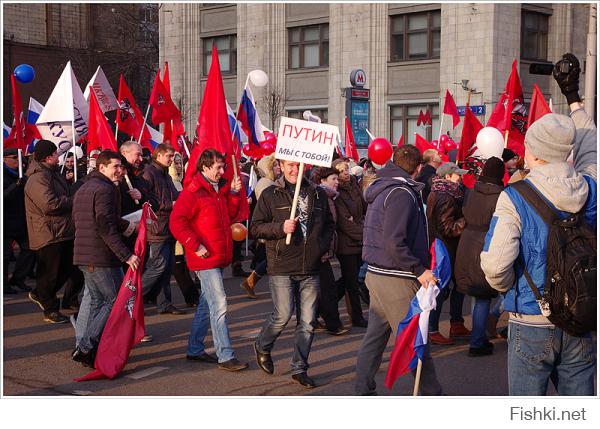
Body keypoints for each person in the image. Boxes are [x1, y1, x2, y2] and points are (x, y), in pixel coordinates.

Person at [481, 53, 596, 395]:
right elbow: (591, 147)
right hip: (582, 313)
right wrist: (574, 99)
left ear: (532, 151)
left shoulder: (514, 197)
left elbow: (496, 265)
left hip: (531, 319)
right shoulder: (591, 189)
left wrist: (510, 290)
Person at [355, 144, 442, 395]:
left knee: (376, 337)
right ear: (418, 168)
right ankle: (432, 394)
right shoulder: (401, 193)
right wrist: (419, 269)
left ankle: (363, 388)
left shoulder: (384, 188)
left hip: (379, 272)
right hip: (396, 276)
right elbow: (394, 242)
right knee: (416, 340)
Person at [250, 159, 335, 388]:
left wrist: (322, 247)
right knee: (282, 316)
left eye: (298, 165)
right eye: (289, 165)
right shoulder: (270, 194)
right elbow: (255, 227)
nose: (294, 170)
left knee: (307, 322)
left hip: (310, 266)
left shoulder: (318, 194)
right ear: (280, 165)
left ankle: (299, 367)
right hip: (281, 265)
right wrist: (281, 228)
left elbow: (328, 225)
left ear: (306, 166)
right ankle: (262, 345)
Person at [170, 149, 248, 371]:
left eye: (223, 166)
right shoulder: (193, 191)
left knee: (208, 305)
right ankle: (225, 355)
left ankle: (194, 349)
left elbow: (230, 216)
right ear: (204, 167)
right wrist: (195, 245)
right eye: (218, 167)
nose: (222, 171)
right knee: (219, 304)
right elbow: (177, 222)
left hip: (217, 255)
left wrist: (233, 194)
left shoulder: (218, 189)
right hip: (205, 257)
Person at [71, 150, 139, 367]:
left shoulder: (86, 187)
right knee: (112, 301)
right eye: (115, 167)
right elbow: (104, 226)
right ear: (102, 168)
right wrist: (126, 255)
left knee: (98, 302)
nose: (119, 171)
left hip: (86, 254)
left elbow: (100, 219)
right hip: (99, 256)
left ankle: (87, 348)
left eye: (121, 167)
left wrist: (126, 225)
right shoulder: (104, 189)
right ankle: (85, 347)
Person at [455, 157, 505, 356]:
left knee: (478, 293)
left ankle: (479, 335)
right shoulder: (501, 195)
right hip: (486, 242)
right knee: (483, 295)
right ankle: (477, 341)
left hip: (467, 242)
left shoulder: (470, 191)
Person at [24, 140, 76, 324]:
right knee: (50, 273)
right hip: (48, 232)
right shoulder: (38, 177)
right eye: (55, 154)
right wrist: (73, 201)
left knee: (68, 266)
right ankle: (50, 308)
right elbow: (49, 204)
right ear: (48, 157)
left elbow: (65, 194)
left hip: (62, 229)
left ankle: (41, 294)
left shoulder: (52, 173)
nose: (58, 156)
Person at [426, 162, 471, 345]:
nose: (460, 177)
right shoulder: (446, 196)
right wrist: (467, 218)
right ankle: (433, 329)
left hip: (444, 247)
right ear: (447, 177)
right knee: (442, 288)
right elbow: (447, 228)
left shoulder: (441, 192)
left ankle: (455, 323)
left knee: (455, 286)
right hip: (445, 248)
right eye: (456, 175)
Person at [141, 144, 184, 315]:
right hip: (156, 228)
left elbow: (175, 195)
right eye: (169, 155)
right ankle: (132, 297)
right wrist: (169, 204)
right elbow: (147, 201)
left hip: (168, 227)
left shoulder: (165, 174)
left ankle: (164, 303)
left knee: (167, 267)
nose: (172, 159)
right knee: (158, 266)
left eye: (173, 156)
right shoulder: (149, 173)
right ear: (158, 156)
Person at [333, 159, 368, 328]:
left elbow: (363, 208)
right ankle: (357, 317)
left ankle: (321, 307)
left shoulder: (354, 186)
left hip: (358, 241)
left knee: (347, 280)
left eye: (346, 169)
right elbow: (344, 223)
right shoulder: (336, 192)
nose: (345, 173)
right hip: (346, 244)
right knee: (352, 282)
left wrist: (359, 224)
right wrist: (363, 233)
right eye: (340, 171)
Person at [241, 155, 281, 298]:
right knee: (271, 258)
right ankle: (250, 282)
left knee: (270, 258)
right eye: (275, 165)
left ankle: (251, 281)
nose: (278, 167)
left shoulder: (271, 182)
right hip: (269, 226)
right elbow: (270, 206)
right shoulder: (266, 183)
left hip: (271, 225)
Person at [315, 166, 348, 335]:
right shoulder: (321, 197)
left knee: (320, 289)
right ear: (322, 181)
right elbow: (321, 227)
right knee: (328, 290)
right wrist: (321, 250)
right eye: (333, 179)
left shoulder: (330, 197)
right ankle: (333, 323)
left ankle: (313, 318)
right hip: (319, 252)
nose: (337, 182)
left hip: (324, 251)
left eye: (337, 178)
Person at [169, 151, 200, 307]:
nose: (178, 165)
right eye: (175, 162)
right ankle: (192, 297)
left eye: (180, 162)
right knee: (177, 265)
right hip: (173, 230)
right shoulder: (171, 182)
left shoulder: (182, 182)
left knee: (177, 265)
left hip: (183, 230)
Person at [3, 148, 35, 294]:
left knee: (30, 249)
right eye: (14, 158)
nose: (18, 161)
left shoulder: (23, 176)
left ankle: (18, 278)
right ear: (4, 159)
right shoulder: (4, 175)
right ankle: (3, 284)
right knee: (5, 255)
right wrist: (16, 185)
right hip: (5, 221)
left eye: (20, 158)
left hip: (21, 220)